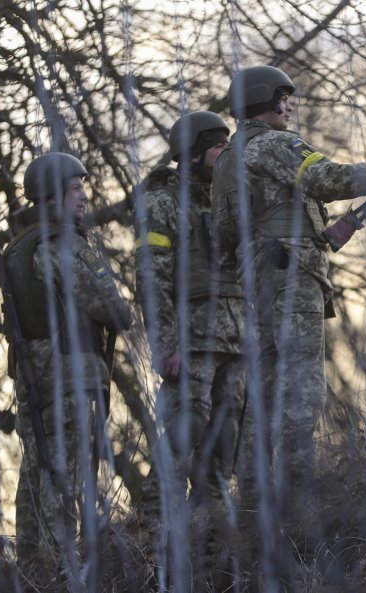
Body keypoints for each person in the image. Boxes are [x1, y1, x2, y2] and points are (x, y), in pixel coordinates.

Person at [210, 64, 366, 568]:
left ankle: (256, 508)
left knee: (265, 394)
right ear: (265, 101)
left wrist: (324, 236)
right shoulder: (271, 144)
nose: (290, 106)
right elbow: (327, 179)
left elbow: (235, 233)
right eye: (284, 97)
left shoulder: (229, 159)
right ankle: (298, 505)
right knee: (301, 392)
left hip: (264, 278)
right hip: (288, 282)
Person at [4, 152, 133, 591]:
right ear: (51, 196)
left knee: (35, 471)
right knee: (66, 473)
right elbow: (111, 308)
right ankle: (62, 569)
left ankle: (31, 568)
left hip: (31, 379)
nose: (83, 195)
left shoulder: (18, 246)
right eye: (74, 187)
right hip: (69, 374)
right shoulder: (62, 243)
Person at [133, 111, 244, 585]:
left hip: (236, 337)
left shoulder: (230, 202)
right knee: (186, 425)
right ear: (193, 155)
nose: (225, 157)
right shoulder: (161, 204)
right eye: (218, 150)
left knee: (227, 432)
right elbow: (151, 278)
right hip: (191, 339)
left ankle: (212, 523)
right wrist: (165, 344)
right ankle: (155, 522)